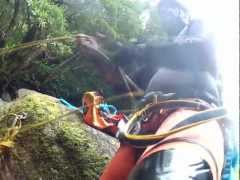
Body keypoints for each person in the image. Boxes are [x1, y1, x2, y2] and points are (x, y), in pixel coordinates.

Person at [76, 1, 237, 179]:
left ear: (185, 14)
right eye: (161, 11)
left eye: (170, 7)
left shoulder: (198, 29)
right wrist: (97, 55)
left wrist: (136, 50)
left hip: (190, 114)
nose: (164, 13)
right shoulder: (158, 63)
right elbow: (123, 85)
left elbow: (199, 51)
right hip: (146, 125)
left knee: (164, 173)